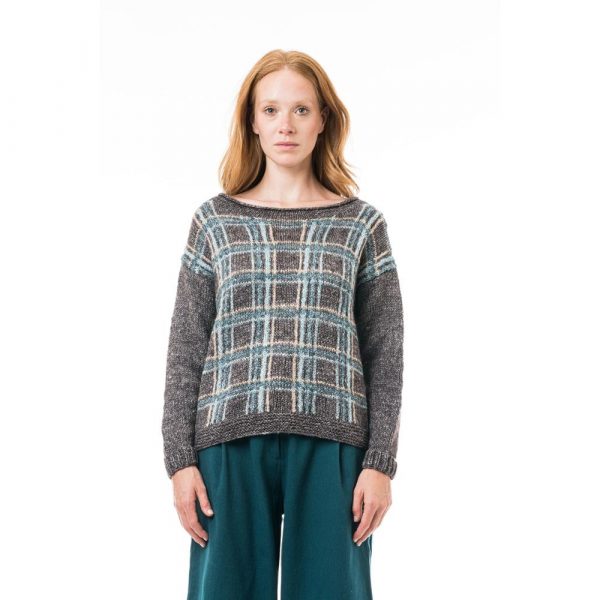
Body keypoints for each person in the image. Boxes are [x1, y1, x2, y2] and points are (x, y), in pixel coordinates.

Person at [161, 49, 404, 600]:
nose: (285, 125)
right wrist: (179, 461)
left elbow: (385, 349)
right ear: (252, 120)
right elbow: (186, 345)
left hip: (334, 445)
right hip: (226, 442)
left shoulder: (361, 225)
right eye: (270, 109)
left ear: (323, 120)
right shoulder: (215, 222)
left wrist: (380, 464)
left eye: (300, 109)